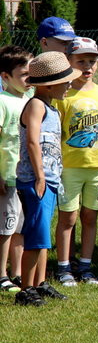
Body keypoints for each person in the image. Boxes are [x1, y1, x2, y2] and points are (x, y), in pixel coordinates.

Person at [53, 38, 98, 286]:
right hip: (69, 167)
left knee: (90, 217)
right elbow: (56, 131)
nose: (88, 66)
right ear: (69, 62)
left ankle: (85, 266)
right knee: (68, 218)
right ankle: (63, 267)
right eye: (81, 61)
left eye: (92, 61)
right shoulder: (61, 95)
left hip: (97, 168)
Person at [14, 52, 79, 306]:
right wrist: (40, 176)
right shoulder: (36, 105)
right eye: (66, 81)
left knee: (43, 236)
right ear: (49, 84)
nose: (69, 85)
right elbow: (32, 140)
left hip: (51, 181)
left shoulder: (52, 108)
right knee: (35, 235)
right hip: (35, 181)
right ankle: (25, 289)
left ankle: (40, 283)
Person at [0, 46, 32, 294]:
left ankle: (18, 272)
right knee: (6, 226)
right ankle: (1, 275)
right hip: (7, 176)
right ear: (5, 77)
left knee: (21, 226)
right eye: (23, 74)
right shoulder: (2, 102)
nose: (28, 79)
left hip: (26, 176)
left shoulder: (31, 100)